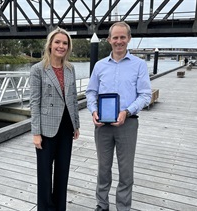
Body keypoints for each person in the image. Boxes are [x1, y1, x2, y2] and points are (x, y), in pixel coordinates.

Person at [85, 21, 152, 211]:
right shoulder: (99, 66)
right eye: (115, 37)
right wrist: (93, 110)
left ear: (129, 39)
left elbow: (145, 95)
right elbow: (91, 92)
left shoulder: (139, 65)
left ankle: (123, 207)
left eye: (123, 37)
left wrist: (126, 111)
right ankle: (102, 205)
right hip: (102, 125)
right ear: (109, 40)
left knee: (126, 171)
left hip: (128, 124)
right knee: (103, 169)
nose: (119, 41)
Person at [29, 27, 80, 211]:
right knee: (44, 173)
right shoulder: (38, 70)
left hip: (66, 126)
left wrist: (76, 124)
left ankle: (60, 208)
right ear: (50, 45)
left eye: (65, 43)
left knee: (62, 171)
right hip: (46, 127)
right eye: (57, 42)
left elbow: (73, 97)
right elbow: (34, 102)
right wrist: (36, 132)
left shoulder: (70, 68)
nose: (61, 46)